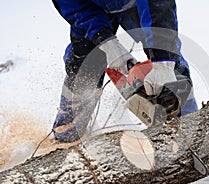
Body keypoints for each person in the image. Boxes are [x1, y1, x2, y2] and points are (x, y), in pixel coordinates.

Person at [51, 0, 198, 142]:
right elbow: (71, 4)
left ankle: (189, 126)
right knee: (85, 68)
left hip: (140, 5)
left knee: (170, 67)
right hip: (91, 6)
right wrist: (106, 41)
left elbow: (157, 6)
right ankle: (67, 131)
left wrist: (163, 60)